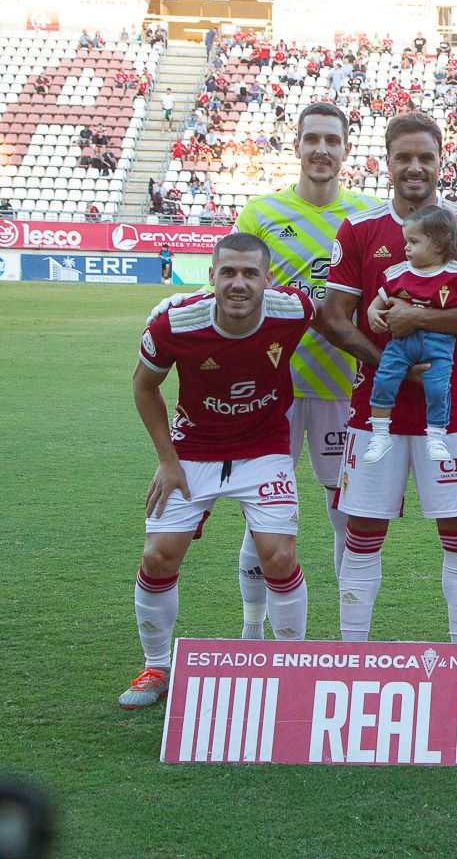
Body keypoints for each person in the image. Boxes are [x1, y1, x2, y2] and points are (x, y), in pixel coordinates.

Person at [149, 102, 378, 639]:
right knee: (262, 521)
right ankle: (253, 634)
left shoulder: (366, 215)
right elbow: (229, 281)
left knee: (346, 514)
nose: (321, 150)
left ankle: (351, 638)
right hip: (270, 395)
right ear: (296, 146)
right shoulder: (261, 212)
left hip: (342, 389)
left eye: (332, 140)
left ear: (347, 150)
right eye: (312, 139)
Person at [321, 112, 457, 645]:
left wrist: (418, 318)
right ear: (387, 162)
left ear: (442, 161)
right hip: (374, 410)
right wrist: (393, 365)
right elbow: (332, 317)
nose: (415, 167)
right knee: (362, 535)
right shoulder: (360, 229)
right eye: (404, 157)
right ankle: (353, 654)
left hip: (451, 412)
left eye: (426, 156)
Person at [121, 233, 313, 708]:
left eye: (250, 273)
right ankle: (157, 666)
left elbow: (339, 316)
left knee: (279, 557)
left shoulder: (294, 310)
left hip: (264, 447)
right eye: (228, 272)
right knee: (158, 556)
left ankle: (291, 666)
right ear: (211, 277)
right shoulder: (175, 323)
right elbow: (144, 387)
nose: (238, 283)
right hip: (193, 449)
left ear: (268, 279)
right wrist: (167, 460)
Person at [363, 206, 457, 463]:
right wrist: (372, 313)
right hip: (401, 343)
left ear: (438, 245)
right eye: (406, 241)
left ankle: (436, 436)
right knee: (384, 379)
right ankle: (380, 434)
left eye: (413, 242)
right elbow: (377, 302)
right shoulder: (398, 272)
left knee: (438, 388)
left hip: (440, 344)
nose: (406, 248)